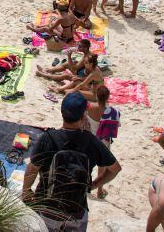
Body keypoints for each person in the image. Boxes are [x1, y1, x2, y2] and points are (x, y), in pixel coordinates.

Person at [21, 92, 121, 230]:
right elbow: (115, 169)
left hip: (47, 208)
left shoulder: (48, 138)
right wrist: (93, 185)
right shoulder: (91, 141)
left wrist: (26, 191)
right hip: (76, 210)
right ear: (83, 115)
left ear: (62, 112)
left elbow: (32, 169)